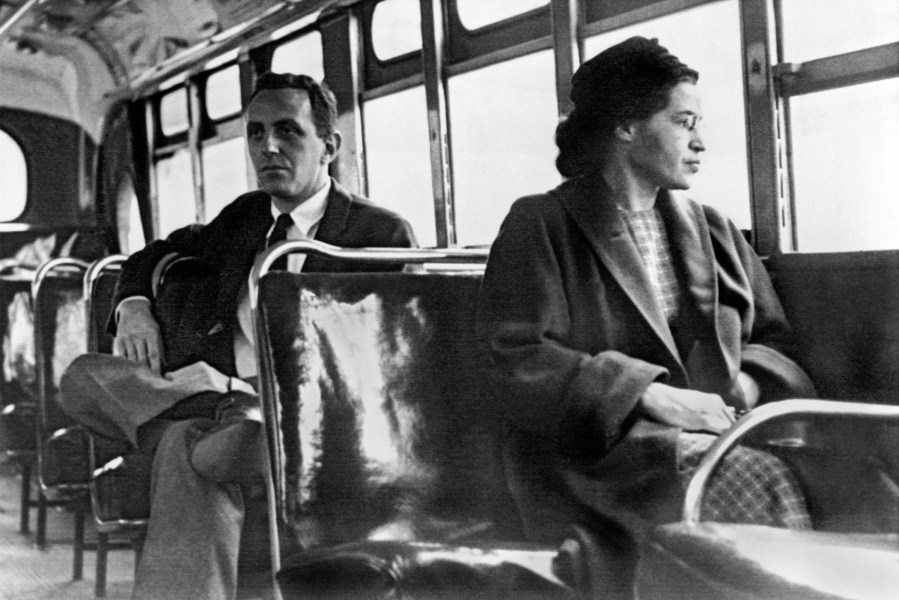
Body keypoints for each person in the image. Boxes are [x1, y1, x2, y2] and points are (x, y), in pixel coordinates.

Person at [476, 37, 817, 597]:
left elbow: (774, 341)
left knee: (849, 464)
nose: (701, 141)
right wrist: (646, 394)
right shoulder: (540, 224)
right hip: (599, 459)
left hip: (717, 431)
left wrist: (743, 386)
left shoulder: (713, 229)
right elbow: (514, 361)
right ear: (626, 127)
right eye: (685, 122)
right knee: (753, 477)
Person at [60, 72, 416, 599]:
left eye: (288, 131)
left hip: (308, 420)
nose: (267, 146)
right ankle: (217, 407)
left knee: (186, 447)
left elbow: (382, 372)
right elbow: (151, 255)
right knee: (82, 377)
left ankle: (220, 411)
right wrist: (134, 307)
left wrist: (241, 392)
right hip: (222, 405)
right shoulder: (245, 219)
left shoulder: (377, 234)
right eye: (255, 132)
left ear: (329, 146)